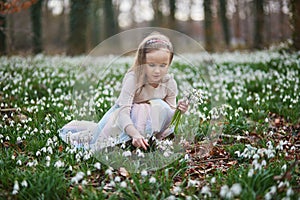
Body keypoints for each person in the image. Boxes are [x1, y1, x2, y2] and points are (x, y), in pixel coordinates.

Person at [59, 32, 189, 151]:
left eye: (163, 65)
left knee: (160, 106)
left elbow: (168, 116)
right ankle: (127, 141)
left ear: (169, 63)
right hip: (123, 122)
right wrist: (135, 134)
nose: (157, 71)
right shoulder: (133, 79)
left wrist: (178, 111)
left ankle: (150, 140)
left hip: (150, 123)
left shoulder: (169, 83)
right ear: (142, 62)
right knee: (99, 138)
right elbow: (123, 113)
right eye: (151, 65)